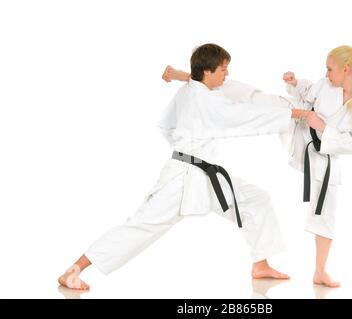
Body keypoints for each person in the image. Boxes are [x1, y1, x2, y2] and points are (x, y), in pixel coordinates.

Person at [58, 43, 308, 290]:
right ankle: (75, 269)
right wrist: (295, 114)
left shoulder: (192, 90)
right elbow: (243, 115)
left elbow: (168, 125)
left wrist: (185, 144)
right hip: (182, 179)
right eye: (223, 69)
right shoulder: (204, 99)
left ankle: (261, 264)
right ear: (208, 72)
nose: (227, 74)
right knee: (142, 225)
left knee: (255, 200)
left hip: (203, 173)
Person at [164, 45, 352, 288]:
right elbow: (308, 93)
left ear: (346, 70)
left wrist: (322, 127)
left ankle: (320, 271)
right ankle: (188, 76)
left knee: (325, 212)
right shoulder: (328, 84)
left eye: (330, 69)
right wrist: (295, 83)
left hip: (323, 154)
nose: (327, 73)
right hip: (295, 119)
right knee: (253, 97)